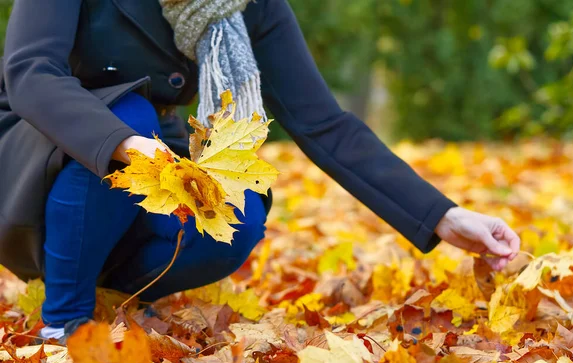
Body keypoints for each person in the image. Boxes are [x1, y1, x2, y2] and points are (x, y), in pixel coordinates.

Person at [0, 0, 520, 341]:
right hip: (38, 155)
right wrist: (129, 144)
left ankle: (117, 297)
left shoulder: (245, 5)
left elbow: (324, 125)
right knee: (126, 113)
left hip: (154, 157)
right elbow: (30, 73)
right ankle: (64, 322)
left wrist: (445, 217)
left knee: (237, 220)